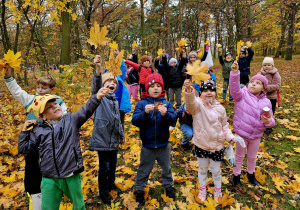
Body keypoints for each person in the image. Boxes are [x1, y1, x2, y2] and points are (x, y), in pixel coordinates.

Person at [18, 85, 109, 209]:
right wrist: (24, 131)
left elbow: (86, 110)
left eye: (55, 103)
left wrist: (97, 97)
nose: (55, 106)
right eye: (48, 107)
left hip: (71, 174)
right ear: (41, 116)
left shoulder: (71, 120)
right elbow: (24, 148)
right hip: (49, 178)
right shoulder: (37, 130)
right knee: (48, 207)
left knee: (78, 205)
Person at [4, 67, 67, 210]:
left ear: (51, 89)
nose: (39, 90)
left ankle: (53, 195)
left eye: (43, 88)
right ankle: (35, 199)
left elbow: (64, 119)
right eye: (38, 87)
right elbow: (17, 92)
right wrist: (8, 77)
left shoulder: (58, 102)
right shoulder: (30, 99)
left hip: (52, 146)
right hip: (34, 146)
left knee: (51, 174)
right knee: (33, 175)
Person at [184, 78, 235, 203]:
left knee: (216, 171)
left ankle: (218, 190)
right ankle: (202, 189)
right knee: (202, 169)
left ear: (215, 93)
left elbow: (224, 126)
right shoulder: (197, 105)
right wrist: (189, 91)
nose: (208, 93)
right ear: (200, 93)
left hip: (217, 147)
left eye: (211, 90)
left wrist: (229, 137)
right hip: (201, 144)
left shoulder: (220, 109)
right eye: (205, 90)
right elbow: (190, 105)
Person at [132, 73, 176, 206]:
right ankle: (139, 188)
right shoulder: (142, 104)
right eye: (152, 86)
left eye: (158, 86)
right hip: (148, 145)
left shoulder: (166, 103)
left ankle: (168, 186)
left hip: (163, 144)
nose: (155, 88)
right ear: (147, 89)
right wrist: (145, 114)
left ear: (162, 88)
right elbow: (135, 121)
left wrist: (165, 114)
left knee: (167, 168)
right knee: (144, 169)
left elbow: (173, 119)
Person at [230, 61, 275, 187]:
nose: (254, 84)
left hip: (256, 135)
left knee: (252, 157)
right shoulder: (241, 95)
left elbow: (271, 121)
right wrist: (234, 74)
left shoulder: (266, 102)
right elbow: (234, 89)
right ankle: (236, 176)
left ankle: (251, 175)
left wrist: (268, 122)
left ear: (263, 88)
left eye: (258, 83)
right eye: (252, 82)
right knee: (239, 156)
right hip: (242, 133)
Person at [88, 55, 126, 204]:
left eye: (114, 82)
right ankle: (103, 191)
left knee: (113, 166)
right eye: (108, 81)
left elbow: (118, 122)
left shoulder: (115, 102)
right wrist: (98, 69)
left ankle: (111, 185)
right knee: (104, 168)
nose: (112, 84)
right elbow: (95, 87)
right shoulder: (100, 98)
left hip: (114, 140)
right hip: (102, 139)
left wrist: (122, 136)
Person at [259, 57, 281, 135]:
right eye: (265, 65)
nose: (267, 67)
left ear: (272, 66)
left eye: (269, 65)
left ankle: (269, 127)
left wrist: (265, 88)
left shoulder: (275, 74)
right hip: (261, 97)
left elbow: (277, 85)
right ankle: (262, 124)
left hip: (271, 97)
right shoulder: (260, 73)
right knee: (261, 111)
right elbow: (256, 80)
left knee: (270, 112)